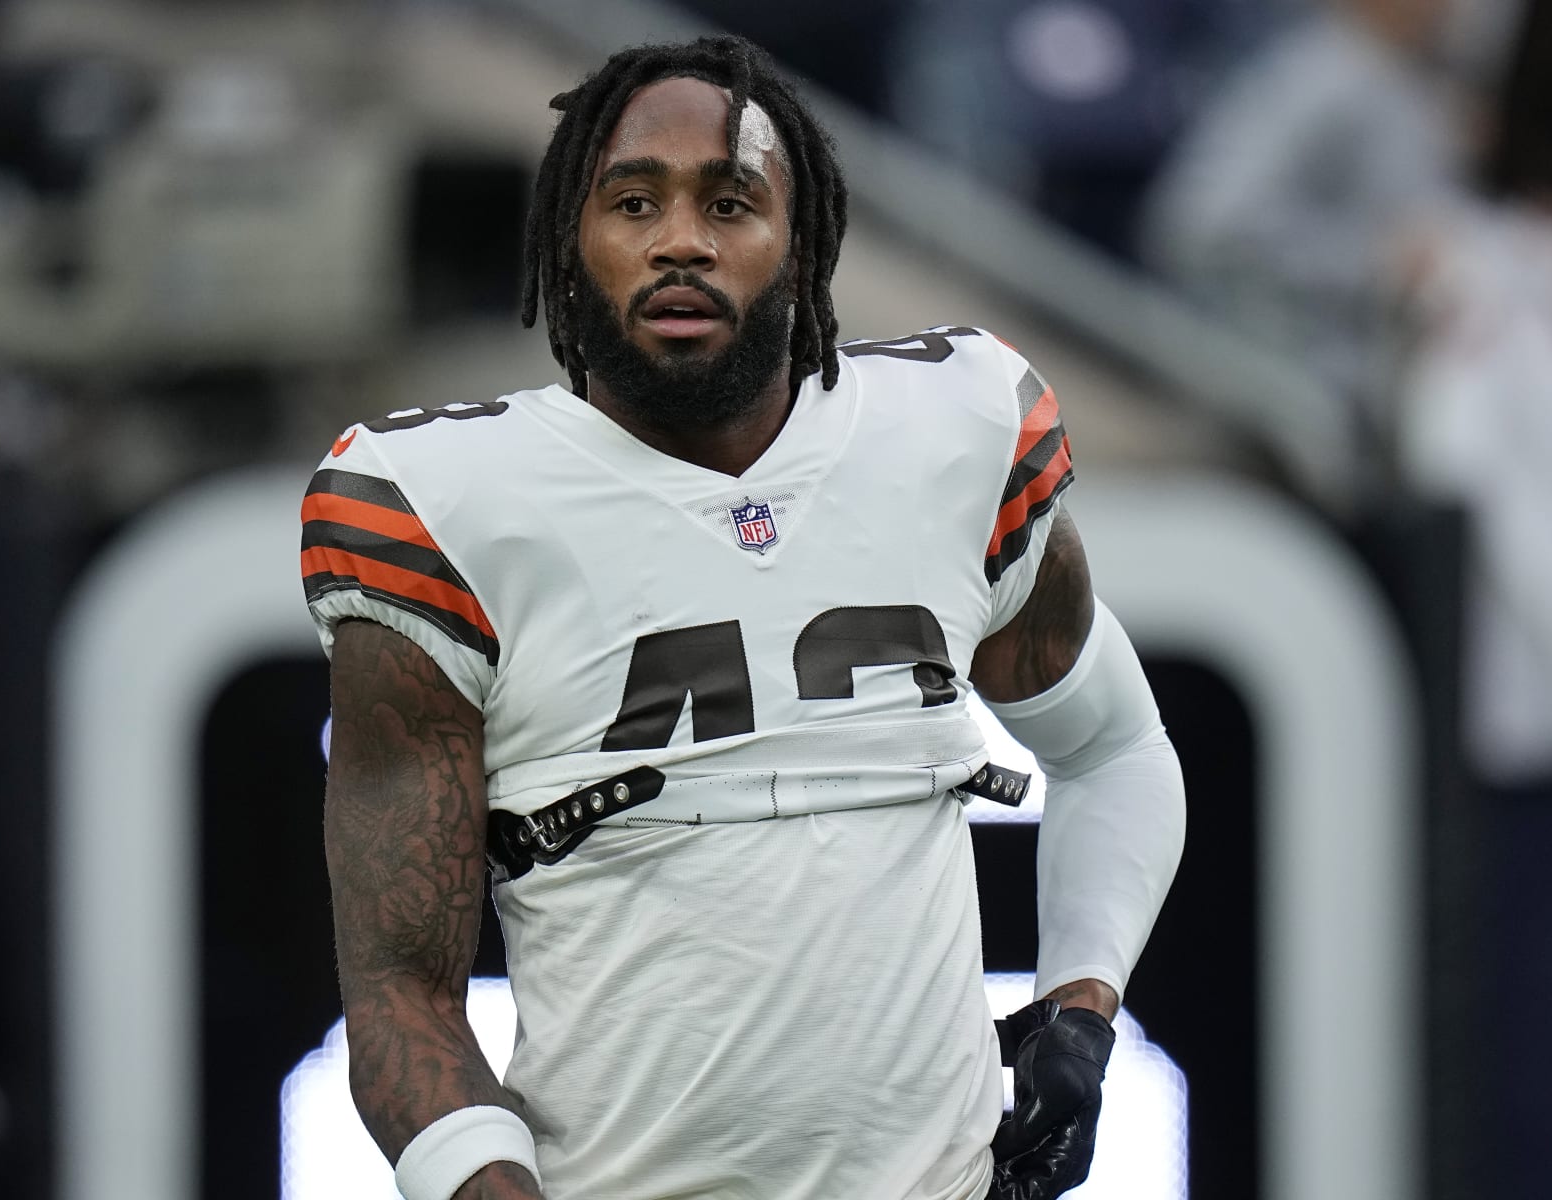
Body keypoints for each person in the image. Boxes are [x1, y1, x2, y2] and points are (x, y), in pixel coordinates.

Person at [301, 36, 1185, 1200]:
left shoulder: (954, 430)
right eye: (633, 202)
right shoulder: (441, 506)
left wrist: (1079, 1007)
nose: (681, 241)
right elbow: (401, 1001)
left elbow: (1116, 746)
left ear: (803, 241)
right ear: (569, 241)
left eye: (731, 201)